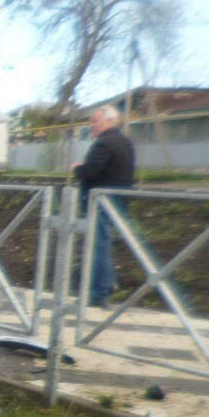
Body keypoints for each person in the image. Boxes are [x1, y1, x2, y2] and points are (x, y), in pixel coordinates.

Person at [73, 105, 135, 307]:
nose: (91, 125)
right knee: (103, 245)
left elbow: (91, 172)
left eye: (95, 121)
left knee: (98, 247)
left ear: (109, 121)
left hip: (101, 202)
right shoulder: (125, 141)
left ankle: (99, 294)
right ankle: (105, 287)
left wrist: (78, 169)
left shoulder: (104, 143)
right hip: (118, 201)